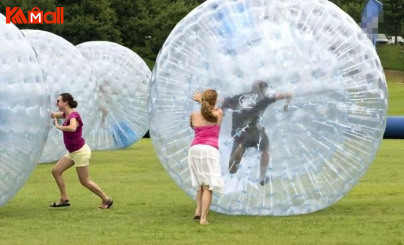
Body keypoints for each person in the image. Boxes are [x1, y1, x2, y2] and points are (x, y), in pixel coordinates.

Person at [221, 81, 292, 185]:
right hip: (255, 131)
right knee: (265, 148)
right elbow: (288, 94)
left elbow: (223, 101)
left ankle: (240, 147)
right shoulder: (264, 99)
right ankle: (262, 178)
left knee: (232, 170)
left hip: (238, 133)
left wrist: (221, 111)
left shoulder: (237, 98)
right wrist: (286, 104)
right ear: (264, 90)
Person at [50, 93, 113, 209]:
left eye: (58, 101)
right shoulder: (66, 114)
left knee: (84, 181)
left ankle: (106, 199)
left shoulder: (73, 115)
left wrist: (59, 127)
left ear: (65, 102)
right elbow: (53, 114)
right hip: (73, 152)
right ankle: (64, 198)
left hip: (80, 152)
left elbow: (73, 127)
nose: (56, 103)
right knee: (56, 171)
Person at [189, 89, 225, 225]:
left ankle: (198, 212)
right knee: (208, 187)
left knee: (200, 184)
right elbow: (211, 114)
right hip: (209, 150)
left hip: (194, 150)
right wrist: (203, 101)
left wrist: (201, 101)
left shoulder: (194, 116)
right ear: (215, 101)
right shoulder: (218, 114)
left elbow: (195, 125)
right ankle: (203, 219)